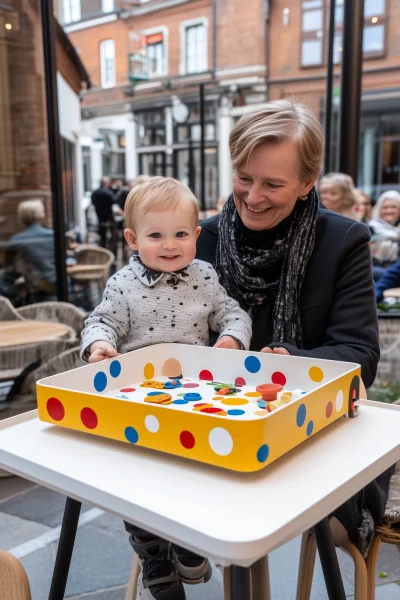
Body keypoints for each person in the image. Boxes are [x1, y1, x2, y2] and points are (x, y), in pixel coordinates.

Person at [196, 99, 393, 560]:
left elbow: (360, 353)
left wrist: (286, 362)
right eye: (244, 178)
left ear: (307, 183)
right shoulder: (198, 240)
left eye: (273, 184)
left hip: (312, 439)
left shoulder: (343, 240)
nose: (252, 195)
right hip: (214, 432)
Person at [81, 176, 252, 600]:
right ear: (132, 238)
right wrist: (100, 344)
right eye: (156, 235)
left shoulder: (206, 277)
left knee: (195, 472)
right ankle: (153, 550)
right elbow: (100, 321)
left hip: (194, 398)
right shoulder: (123, 284)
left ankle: (187, 536)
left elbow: (233, 314)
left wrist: (231, 337)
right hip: (137, 400)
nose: (169, 244)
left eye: (180, 234)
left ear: (196, 236)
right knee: (137, 480)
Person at [7, 199, 56, 301]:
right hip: (59, 287)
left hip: (35, 290)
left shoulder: (16, 241)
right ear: (41, 216)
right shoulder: (53, 236)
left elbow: (12, 269)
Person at [91, 177, 117, 252]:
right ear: (107, 183)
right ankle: (112, 252)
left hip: (100, 217)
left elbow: (93, 203)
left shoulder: (95, 193)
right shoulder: (108, 192)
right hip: (109, 218)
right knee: (113, 237)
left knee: (102, 237)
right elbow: (114, 201)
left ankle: (103, 251)